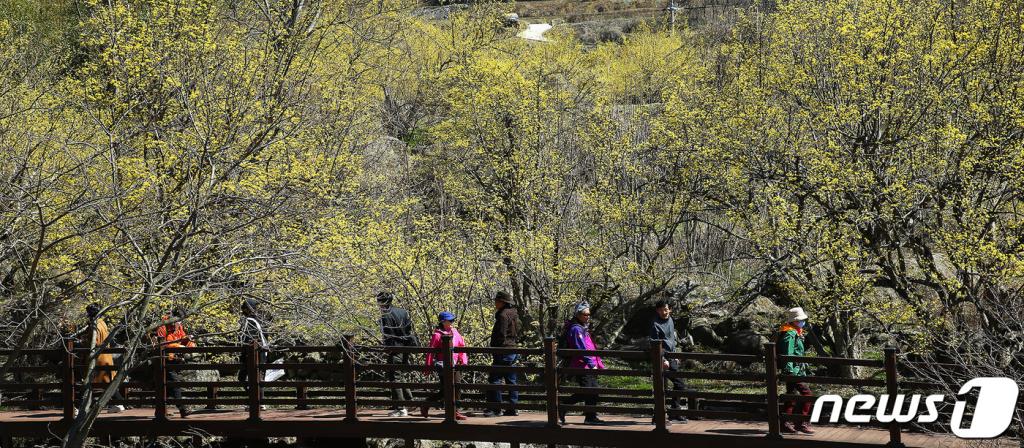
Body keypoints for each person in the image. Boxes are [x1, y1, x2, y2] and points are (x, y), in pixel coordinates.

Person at [558, 302, 605, 425]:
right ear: (578, 314)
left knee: (592, 390)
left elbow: (590, 346)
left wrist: (597, 362)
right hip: (582, 365)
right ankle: (588, 416)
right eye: (585, 314)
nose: (588, 316)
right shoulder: (575, 329)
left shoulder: (582, 327)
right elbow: (581, 348)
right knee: (590, 390)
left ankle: (586, 413)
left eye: (589, 314)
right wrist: (591, 363)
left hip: (588, 364)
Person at [377, 291, 419, 417]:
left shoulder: (386, 315)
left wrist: (387, 348)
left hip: (395, 348)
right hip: (406, 347)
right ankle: (410, 402)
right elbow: (408, 329)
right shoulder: (403, 312)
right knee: (400, 375)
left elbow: (388, 334)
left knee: (394, 377)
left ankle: (401, 408)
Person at [422, 311, 469, 420]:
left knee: (457, 386)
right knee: (445, 390)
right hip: (443, 366)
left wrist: (463, 360)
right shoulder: (437, 335)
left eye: (453, 320)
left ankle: (455, 411)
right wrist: (428, 367)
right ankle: (427, 403)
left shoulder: (455, 332)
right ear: (443, 322)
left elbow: (461, 346)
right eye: (450, 320)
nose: (452, 322)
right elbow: (431, 351)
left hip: (455, 365)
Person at [650, 300, 688, 423]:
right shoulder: (655, 324)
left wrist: (675, 354)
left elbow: (671, 338)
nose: (664, 312)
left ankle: (673, 412)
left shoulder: (670, 320)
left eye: (666, 309)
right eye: (661, 310)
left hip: (671, 357)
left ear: (669, 309)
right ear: (657, 310)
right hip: (661, 358)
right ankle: (660, 417)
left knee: (679, 385)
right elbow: (654, 343)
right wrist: (662, 359)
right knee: (661, 387)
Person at [778, 306, 814, 434]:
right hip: (793, 371)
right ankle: (801, 423)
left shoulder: (795, 332)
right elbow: (788, 353)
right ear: (794, 321)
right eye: (800, 320)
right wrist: (790, 371)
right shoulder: (790, 334)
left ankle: (786, 424)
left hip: (796, 369)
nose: (803, 322)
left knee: (791, 396)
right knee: (807, 395)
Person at [484, 291, 520, 417]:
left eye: (496, 301)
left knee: (494, 379)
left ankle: (496, 408)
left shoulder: (503, 316)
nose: (495, 303)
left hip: (503, 350)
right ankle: (512, 408)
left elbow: (501, 335)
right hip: (512, 349)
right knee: (511, 379)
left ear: (502, 302)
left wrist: (495, 347)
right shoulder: (513, 314)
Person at [154, 307, 195, 418]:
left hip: (175, 360)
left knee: (168, 386)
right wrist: (177, 345)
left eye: (181, 320)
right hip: (164, 360)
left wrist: (188, 340)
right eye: (178, 320)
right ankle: (183, 409)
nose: (179, 323)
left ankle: (161, 410)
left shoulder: (179, 326)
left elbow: (182, 338)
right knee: (174, 383)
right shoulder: (162, 326)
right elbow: (161, 345)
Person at [86, 303, 126, 413]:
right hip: (106, 356)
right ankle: (118, 403)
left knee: (97, 382)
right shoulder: (102, 323)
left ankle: (119, 403)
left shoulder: (95, 325)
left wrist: (85, 341)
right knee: (107, 382)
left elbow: (96, 342)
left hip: (99, 357)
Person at [239, 298, 269, 407]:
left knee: (244, 377)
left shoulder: (250, 321)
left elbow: (248, 339)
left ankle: (256, 402)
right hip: (261, 353)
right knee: (258, 378)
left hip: (254, 354)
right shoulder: (259, 320)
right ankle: (258, 402)